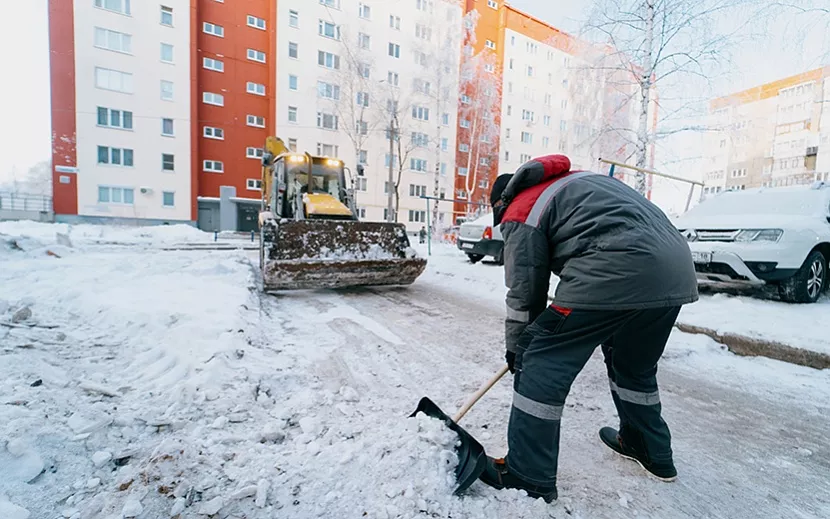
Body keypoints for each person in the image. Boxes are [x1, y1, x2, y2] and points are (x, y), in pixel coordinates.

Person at [479, 154, 698, 502]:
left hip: (616, 267)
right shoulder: (580, 183)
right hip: (675, 270)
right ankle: (649, 448)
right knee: (632, 365)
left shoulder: (521, 206)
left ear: (500, 202)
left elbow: (525, 290)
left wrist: (519, 345)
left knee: (539, 358)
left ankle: (527, 474)